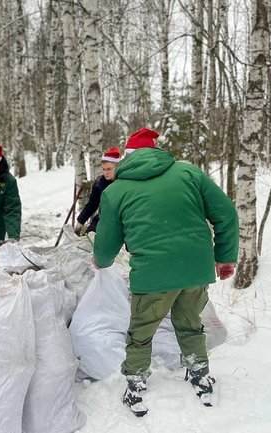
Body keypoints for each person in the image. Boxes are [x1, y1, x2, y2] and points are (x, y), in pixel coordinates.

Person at [93, 127, 239, 417]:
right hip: (195, 269)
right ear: (156, 151)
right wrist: (224, 258)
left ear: (126, 158)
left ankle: (135, 385)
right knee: (189, 322)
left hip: (153, 274)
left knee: (142, 332)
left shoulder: (116, 191)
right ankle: (200, 375)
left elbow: (106, 243)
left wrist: (101, 261)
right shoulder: (189, 174)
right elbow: (226, 213)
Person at [74, 147, 121, 235]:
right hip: (102, 219)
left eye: (109, 169)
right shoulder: (99, 183)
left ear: (118, 167)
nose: (105, 173)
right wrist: (80, 221)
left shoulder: (125, 182)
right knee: (88, 237)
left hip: (121, 221)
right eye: (103, 169)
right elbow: (92, 204)